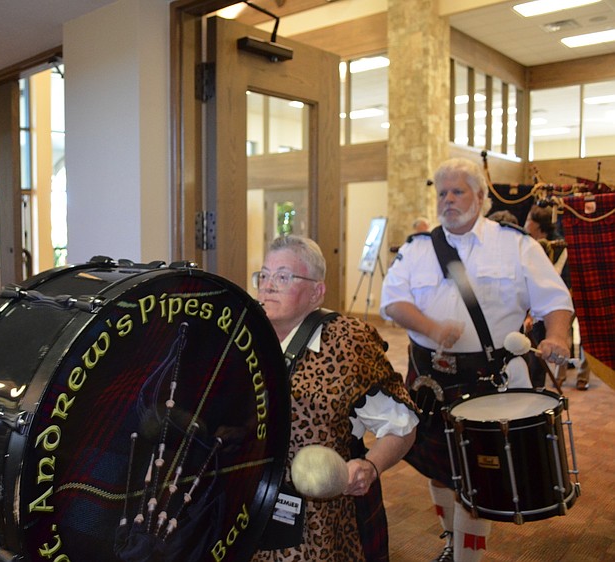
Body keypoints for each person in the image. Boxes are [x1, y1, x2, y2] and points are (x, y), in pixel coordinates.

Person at [380, 158, 574, 562]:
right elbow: (393, 302)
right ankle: (451, 542)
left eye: (458, 192)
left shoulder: (515, 244)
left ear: (481, 196)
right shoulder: (417, 249)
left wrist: (557, 335)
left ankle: (467, 558)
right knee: (439, 470)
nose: (448, 200)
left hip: (489, 378)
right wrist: (432, 329)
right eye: (442, 193)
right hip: (429, 377)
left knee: (478, 477)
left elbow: (554, 299)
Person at [251, 235, 418, 562]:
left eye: (283, 277)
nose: (268, 286)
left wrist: (370, 466)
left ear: (317, 292)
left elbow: (402, 426)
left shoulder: (348, 343)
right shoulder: (245, 337)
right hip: (251, 507)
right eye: (264, 275)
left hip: (324, 523)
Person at [524, 205, 589, 390]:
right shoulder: (528, 244)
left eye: (529, 220)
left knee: (572, 336)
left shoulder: (560, 246)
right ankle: (558, 377)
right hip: (545, 302)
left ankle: (581, 376)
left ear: (537, 225)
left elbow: (561, 276)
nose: (526, 223)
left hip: (568, 296)